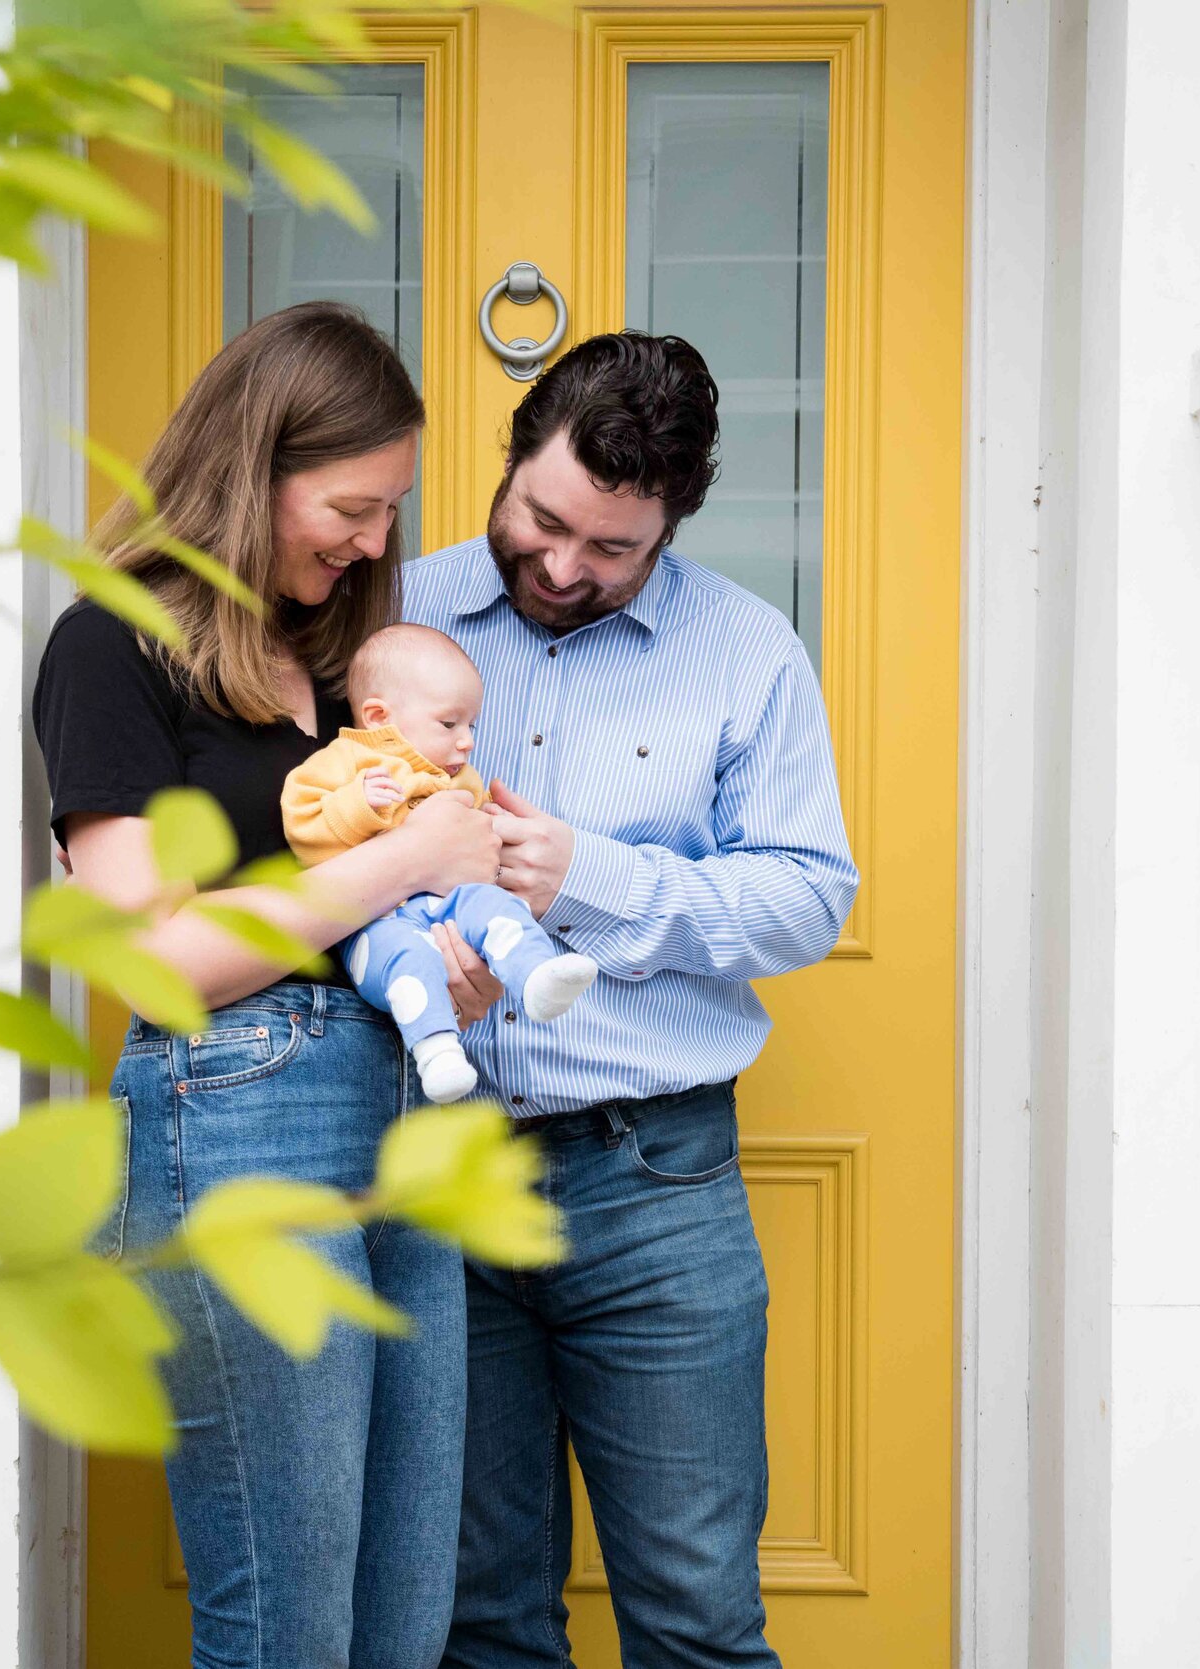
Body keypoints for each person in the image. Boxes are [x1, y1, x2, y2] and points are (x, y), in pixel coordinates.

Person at [30, 301, 506, 1669]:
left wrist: (458, 953)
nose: (371, 543)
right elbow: (146, 950)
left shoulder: (341, 675)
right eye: (349, 506)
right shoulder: (110, 646)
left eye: (387, 514)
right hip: (236, 1119)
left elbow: (302, 915)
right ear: (256, 466)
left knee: (404, 1629)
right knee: (290, 1627)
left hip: (403, 1119)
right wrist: (397, 863)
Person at [407, 332, 860, 1669]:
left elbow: (806, 897)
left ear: (673, 524)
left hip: (652, 1183)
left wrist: (594, 879)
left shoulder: (745, 651)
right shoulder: (394, 615)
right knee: (480, 1620)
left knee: (697, 1618)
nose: (561, 567)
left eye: (613, 549)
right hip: (434, 1178)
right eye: (543, 521)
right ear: (511, 461)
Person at [280, 623, 600, 1102]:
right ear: (378, 717)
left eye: (472, 725)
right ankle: (437, 1054)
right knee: (406, 963)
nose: (467, 741)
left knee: (493, 909)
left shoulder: (460, 779)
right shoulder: (344, 763)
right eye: (450, 725)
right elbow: (303, 825)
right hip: (378, 922)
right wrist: (358, 805)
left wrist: (488, 826)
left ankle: (536, 975)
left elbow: (477, 844)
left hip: (449, 907)